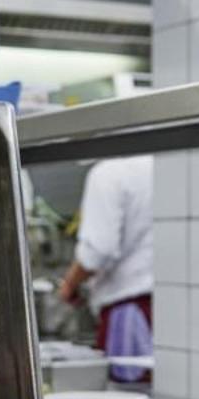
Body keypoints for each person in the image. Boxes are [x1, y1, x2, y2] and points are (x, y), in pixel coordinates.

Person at [57, 155, 153, 380]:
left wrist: (69, 285)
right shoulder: (164, 162)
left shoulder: (107, 173)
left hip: (130, 310)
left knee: (125, 397)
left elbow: (98, 251)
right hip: (168, 308)